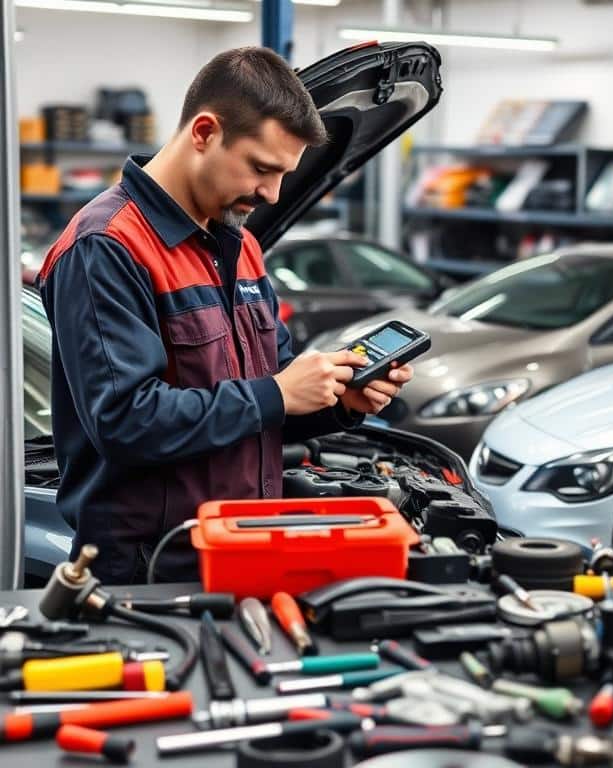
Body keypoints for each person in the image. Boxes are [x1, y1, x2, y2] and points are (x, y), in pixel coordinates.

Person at [36, 46, 412, 584]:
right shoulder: (107, 247)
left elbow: (269, 401)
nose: (271, 193)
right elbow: (124, 421)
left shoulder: (239, 245)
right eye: (261, 168)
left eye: (284, 174)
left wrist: (339, 402)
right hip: (152, 570)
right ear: (205, 132)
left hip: (245, 545)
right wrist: (277, 394)